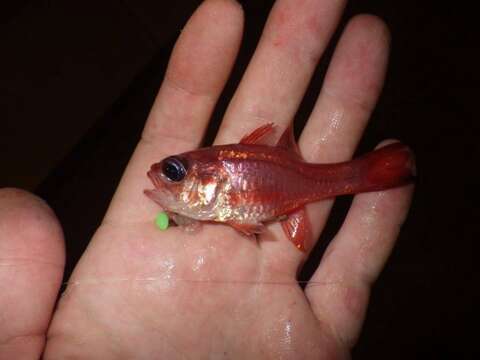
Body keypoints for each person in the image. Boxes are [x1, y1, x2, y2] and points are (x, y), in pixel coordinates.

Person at [0, 0, 414, 358]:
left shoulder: (228, 188)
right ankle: (366, 173)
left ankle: (365, 174)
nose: (165, 179)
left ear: (213, 179)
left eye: (176, 173)